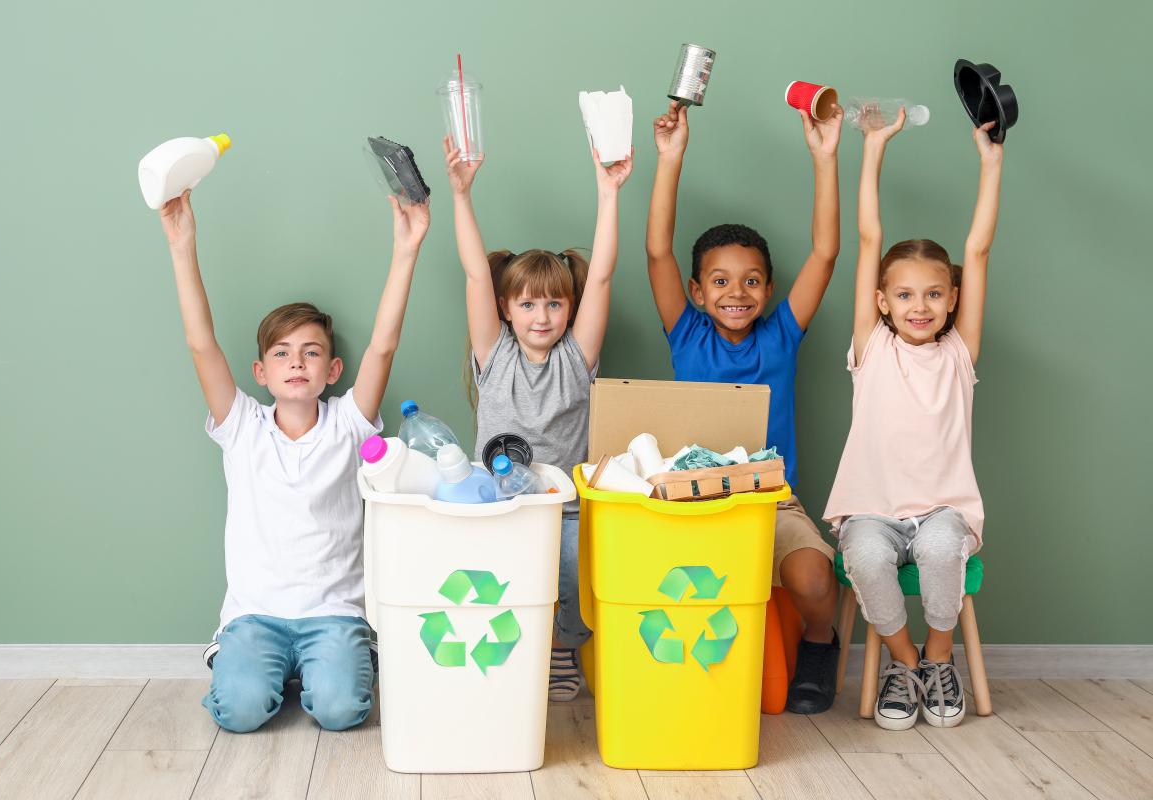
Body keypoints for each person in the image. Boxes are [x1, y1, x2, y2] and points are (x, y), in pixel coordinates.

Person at [157, 188, 430, 731]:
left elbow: (382, 346)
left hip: (333, 614)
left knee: (341, 711)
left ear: (332, 371)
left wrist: (407, 250)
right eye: (281, 353)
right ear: (261, 373)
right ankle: (253, 663)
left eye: (310, 352)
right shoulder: (242, 428)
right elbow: (201, 343)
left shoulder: (349, 423)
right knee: (238, 713)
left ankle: (332, 664)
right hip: (254, 616)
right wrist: (181, 244)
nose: (296, 362)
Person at [645, 99, 844, 713]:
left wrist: (825, 158)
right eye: (722, 281)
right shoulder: (687, 331)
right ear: (697, 292)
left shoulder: (782, 334)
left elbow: (826, 254)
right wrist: (670, 159)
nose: (737, 292)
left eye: (752, 280)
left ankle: (819, 642)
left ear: (769, 290)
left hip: (769, 500)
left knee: (813, 578)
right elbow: (657, 252)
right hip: (691, 499)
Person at [824, 109, 1004, 730]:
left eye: (933, 293)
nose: (919, 305)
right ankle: (904, 664)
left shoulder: (959, 352)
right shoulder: (872, 348)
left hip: (943, 507)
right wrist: (873, 147)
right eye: (904, 295)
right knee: (869, 560)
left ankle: (936, 656)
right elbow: (869, 240)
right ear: (882, 302)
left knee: (938, 548)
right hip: (871, 507)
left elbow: (977, 250)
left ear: (952, 300)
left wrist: (991, 160)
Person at [444, 134, 633, 701]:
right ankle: (506, 652)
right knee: (493, 581)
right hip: (494, 506)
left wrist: (609, 192)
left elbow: (599, 275)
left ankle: (560, 649)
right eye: (527, 304)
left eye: (554, 303)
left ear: (570, 309)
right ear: (506, 310)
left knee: (570, 574)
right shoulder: (493, 353)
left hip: (565, 510)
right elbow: (477, 274)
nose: (542, 315)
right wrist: (460, 193)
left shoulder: (577, 359)